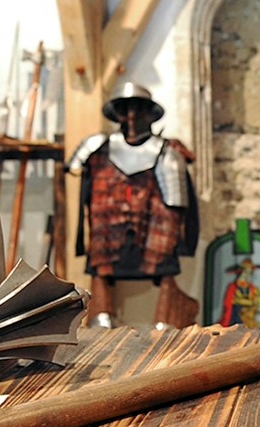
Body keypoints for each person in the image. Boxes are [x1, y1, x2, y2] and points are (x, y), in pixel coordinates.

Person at [69, 83, 199, 327]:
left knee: (166, 317)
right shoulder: (96, 148)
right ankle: (101, 315)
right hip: (107, 236)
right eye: (124, 109)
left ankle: (167, 318)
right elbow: (81, 193)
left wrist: (186, 243)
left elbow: (181, 207)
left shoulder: (168, 153)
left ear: (149, 114)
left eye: (138, 109)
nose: (131, 116)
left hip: (154, 238)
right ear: (116, 113)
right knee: (100, 288)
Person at [219, 257, 260, 328]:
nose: (247, 273)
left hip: (248, 316)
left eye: (249, 271)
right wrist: (248, 302)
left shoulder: (252, 288)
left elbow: (259, 306)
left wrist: (258, 300)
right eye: (245, 271)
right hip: (235, 315)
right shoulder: (233, 286)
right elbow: (230, 301)